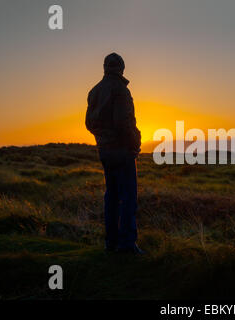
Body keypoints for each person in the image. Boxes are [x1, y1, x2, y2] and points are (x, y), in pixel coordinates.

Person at [85, 52, 143, 254]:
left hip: (105, 152)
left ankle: (111, 243)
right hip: (122, 151)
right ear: (122, 68)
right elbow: (122, 123)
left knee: (111, 196)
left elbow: (88, 124)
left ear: (104, 67)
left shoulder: (94, 91)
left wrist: (102, 139)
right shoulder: (120, 90)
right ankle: (127, 245)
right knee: (128, 198)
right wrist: (135, 141)